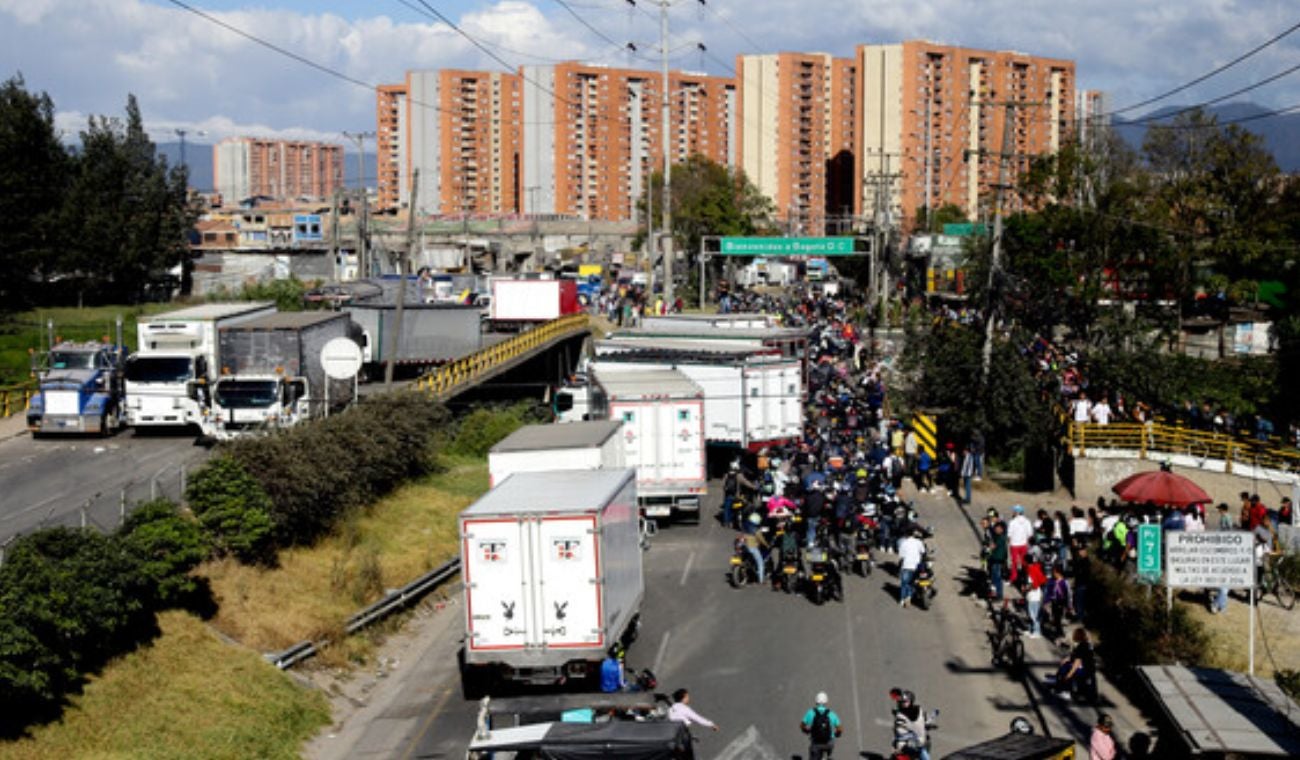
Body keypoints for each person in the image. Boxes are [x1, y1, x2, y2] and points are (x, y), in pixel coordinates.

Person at [889, 688, 930, 760]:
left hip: (917, 743)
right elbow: (900, 731)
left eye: (905, 702)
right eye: (902, 702)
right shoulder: (900, 716)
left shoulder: (918, 710)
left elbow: (923, 718)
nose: (903, 703)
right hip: (905, 746)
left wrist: (927, 723)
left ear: (911, 701)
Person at [800, 691, 843, 760]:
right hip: (828, 743)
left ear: (816, 701)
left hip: (816, 743)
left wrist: (807, 731)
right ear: (826, 702)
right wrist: (837, 734)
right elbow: (840, 729)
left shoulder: (810, 713)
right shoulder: (831, 714)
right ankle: (828, 755)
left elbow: (802, 726)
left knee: (813, 754)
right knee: (830, 749)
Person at [897, 527, 927, 608]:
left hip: (906, 565)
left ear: (906, 535)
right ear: (913, 534)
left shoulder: (903, 543)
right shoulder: (918, 542)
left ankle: (902, 600)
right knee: (912, 583)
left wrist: (899, 567)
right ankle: (909, 597)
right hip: (916, 566)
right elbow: (923, 552)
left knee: (904, 583)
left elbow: (901, 557)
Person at [1007, 505, 1034, 584]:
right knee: (1024, 562)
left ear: (1017, 512)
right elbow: (1030, 534)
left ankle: (1013, 578)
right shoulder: (1027, 521)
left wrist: (1009, 542)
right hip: (1023, 544)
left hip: (1014, 544)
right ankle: (1024, 577)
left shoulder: (1012, 522)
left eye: (1014, 511)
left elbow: (1009, 534)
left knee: (1014, 562)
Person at [987, 521, 1009, 600]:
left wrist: (989, 546)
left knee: (997, 578)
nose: (996, 529)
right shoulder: (998, 536)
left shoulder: (1000, 538)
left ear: (1002, 530)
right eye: (996, 528)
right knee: (995, 578)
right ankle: (995, 593)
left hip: (998, 561)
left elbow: (992, 546)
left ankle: (998, 595)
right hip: (995, 560)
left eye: (998, 528)